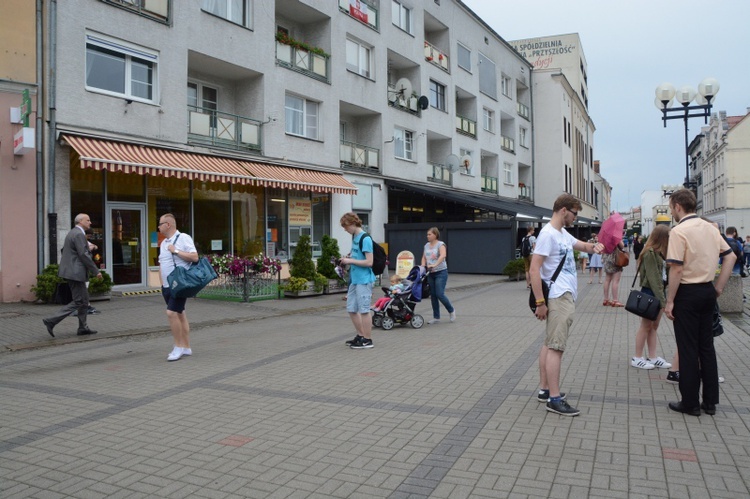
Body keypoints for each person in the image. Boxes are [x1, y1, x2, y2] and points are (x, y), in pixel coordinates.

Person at [530, 194, 604, 416]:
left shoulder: (562, 233)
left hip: (563, 296)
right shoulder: (548, 235)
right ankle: (554, 398)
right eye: (574, 214)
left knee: (549, 343)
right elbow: (534, 269)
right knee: (556, 347)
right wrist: (540, 303)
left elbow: (581, 245)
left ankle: (545, 390)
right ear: (563, 210)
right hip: (558, 297)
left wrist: (595, 247)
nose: (575, 218)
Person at [664, 189, 735, 416]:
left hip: (686, 292)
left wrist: (670, 300)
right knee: (706, 347)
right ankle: (710, 401)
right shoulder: (710, 227)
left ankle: (690, 402)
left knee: (687, 348)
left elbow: (676, 268)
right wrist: (718, 288)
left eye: (671, 207)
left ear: (677, 206)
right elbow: (731, 256)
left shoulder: (678, 231)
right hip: (706, 291)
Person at [43, 214, 102, 337]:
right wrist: (96, 271)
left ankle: (83, 327)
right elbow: (83, 255)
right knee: (79, 301)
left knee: (84, 301)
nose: (90, 222)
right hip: (76, 272)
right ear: (80, 221)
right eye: (88, 220)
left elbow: (65, 250)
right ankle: (51, 320)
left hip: (72, 271)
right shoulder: (79, 234)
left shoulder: (72, 233)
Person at [158, 213, 199, 361]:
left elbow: (195, 257)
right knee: (180, 314)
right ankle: (186, 347)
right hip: (167, 286)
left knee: (171, 313)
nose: (159, 227)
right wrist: (162, 284)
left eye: (160, 224)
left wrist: (175, 250)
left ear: (168, 224)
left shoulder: (183, 238)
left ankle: (178, 347)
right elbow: (162, 264)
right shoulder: (163, 243)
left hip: (180, 284)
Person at [631, 225, 672, 370]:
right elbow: (654, 279)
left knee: (654, 326)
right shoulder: (649, 253)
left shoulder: (660, 253)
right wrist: (663, 301)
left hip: (659, 292)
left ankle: (653, 356)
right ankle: (637, 357)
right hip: (650, 292)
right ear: (662, 238)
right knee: (646, 326)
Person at [340, 212, 376, 349]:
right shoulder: (354, 236)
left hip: (364, 279)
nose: (345, 229)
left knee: (364, 310)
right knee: (351, 308)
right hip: (355, 279)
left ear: (353, 223)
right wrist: (347, 258)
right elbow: (356, 254)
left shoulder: (365, 238)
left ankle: (367, 339)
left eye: (346, 226)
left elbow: (369, 262)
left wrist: (350, 260)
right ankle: (360, 335)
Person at [421, 227, 456, 324]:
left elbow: (443, 255)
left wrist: (435, 265)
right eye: (427, 234)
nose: (427, 236)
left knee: (439, 294)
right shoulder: (426, 245)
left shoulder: (441, 244)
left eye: (429, 234)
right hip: (430, 273)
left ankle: (451, 310)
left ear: (435, 235)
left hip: (441, 272)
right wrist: (423, 266)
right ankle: (436, 317)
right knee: (433, 295)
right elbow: (424, 257)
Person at [602, 241, 625, 307]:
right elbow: (622, 246)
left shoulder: (605, 236)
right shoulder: (615, 235)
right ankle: (615, 301)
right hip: (615, 258)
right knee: (615, 281)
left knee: (607, 280)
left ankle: (606, 299)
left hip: (606, 257)